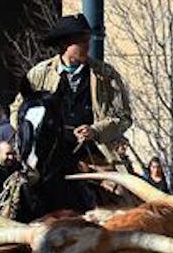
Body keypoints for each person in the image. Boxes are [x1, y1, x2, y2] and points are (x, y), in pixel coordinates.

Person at [16, 13, 132, 167]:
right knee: (17, 187)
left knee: (119, 191)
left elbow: (124, 117)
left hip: (95, 154)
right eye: (81, 42)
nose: (87, 46)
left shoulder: (106, 75)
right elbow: (17, 109)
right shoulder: (39, 74)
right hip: (45, 156)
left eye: (88, 41)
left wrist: (95, 131)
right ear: (65, 44)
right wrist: (29, 134)